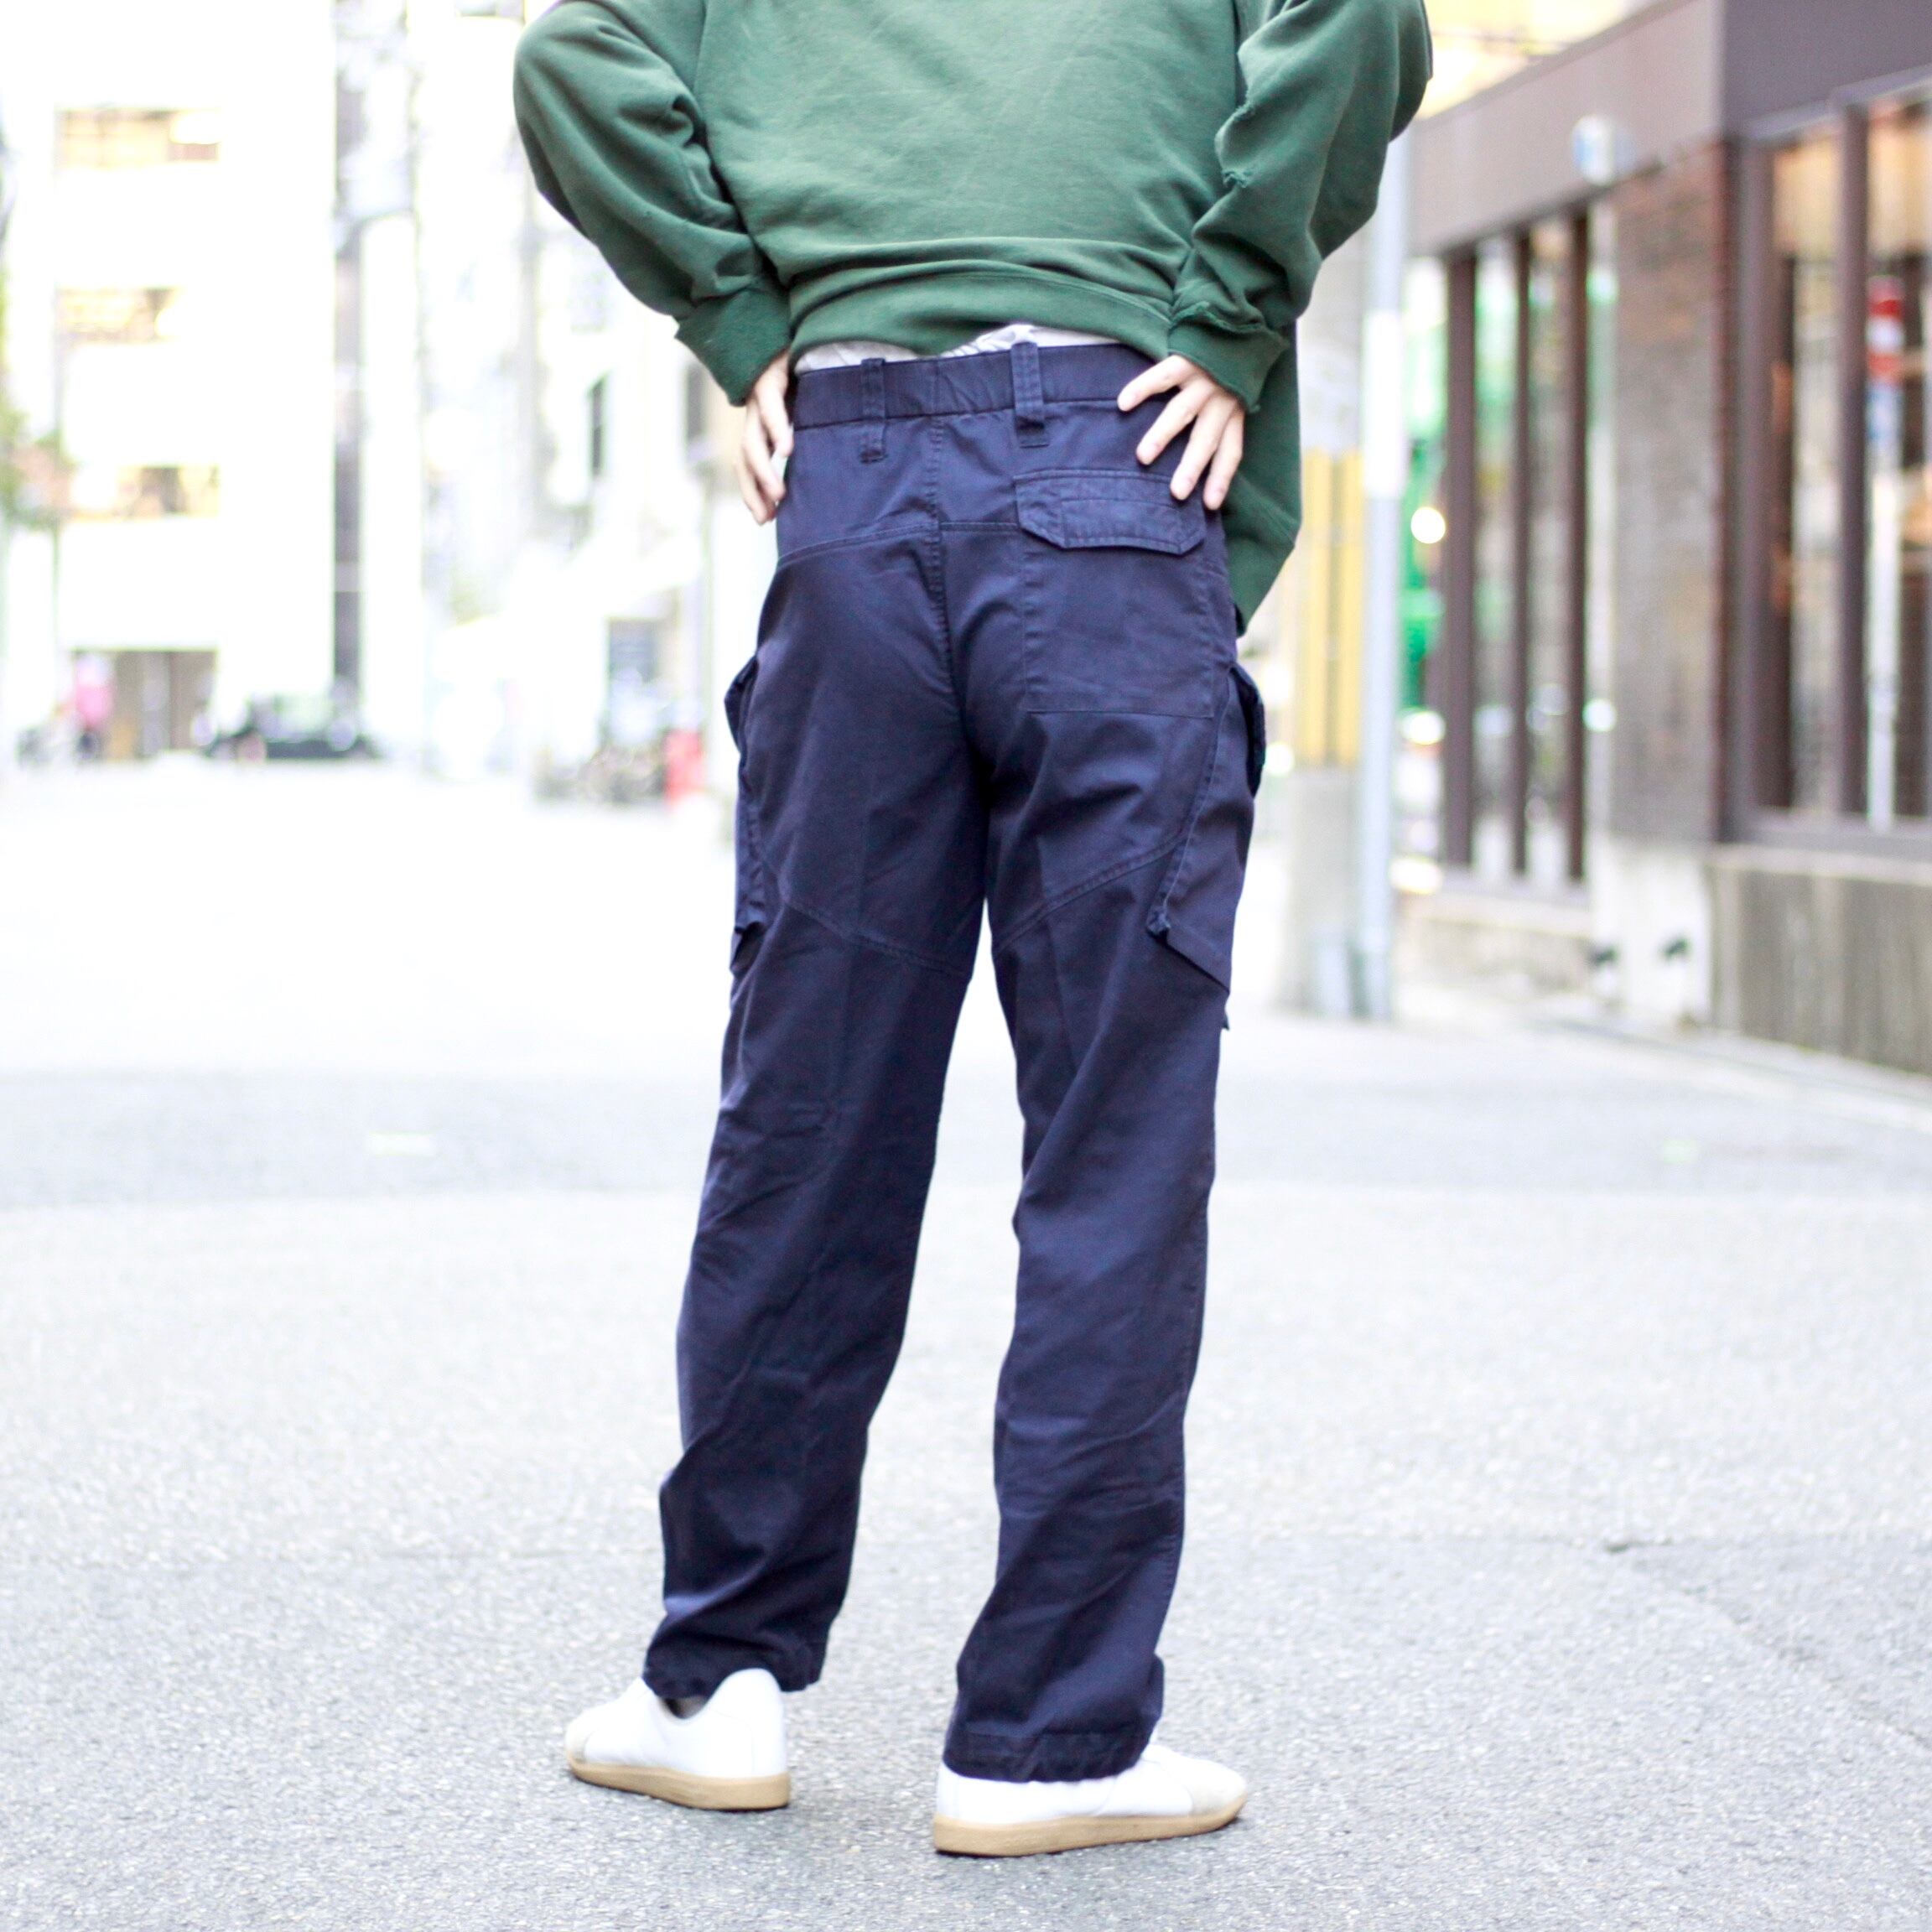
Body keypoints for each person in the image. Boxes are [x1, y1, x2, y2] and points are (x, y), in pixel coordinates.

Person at [513, 0, 1430, 1857]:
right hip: (1119, 454)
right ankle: (1048, 1741)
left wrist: (741, 320)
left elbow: (570, 63)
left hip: (852, 479)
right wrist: (1229, 308)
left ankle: (717, 1687)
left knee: (810, 1115)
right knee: (1112, 1143)